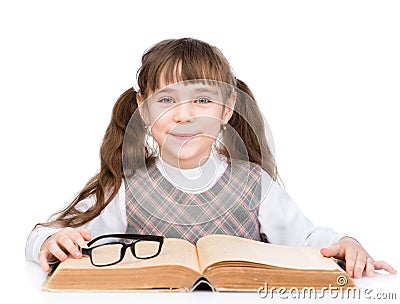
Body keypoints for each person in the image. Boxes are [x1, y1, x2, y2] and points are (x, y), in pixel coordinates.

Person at [25, 38, 396, 279]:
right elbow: (50, 232)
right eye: (167, 100)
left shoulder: (252, 184)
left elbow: (309, 237)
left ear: (226, 108)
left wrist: (345, 241)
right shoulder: (127, 186)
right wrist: (49, 242)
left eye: (202, 100)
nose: (185, 115)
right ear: (143, 107)